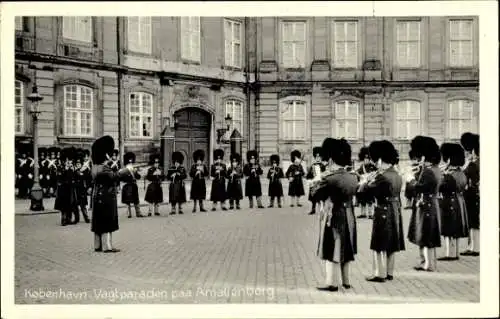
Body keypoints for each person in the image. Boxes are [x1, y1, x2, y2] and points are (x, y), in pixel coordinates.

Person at [311, 138, 359, 292]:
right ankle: (346, 281)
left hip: (333, 216)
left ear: (331, 159)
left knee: (331, 247)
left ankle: (331, 282)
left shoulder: (329, 178)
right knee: (346, 247)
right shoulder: (353, 177)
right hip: (349, 214)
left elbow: (315, 195)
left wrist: (317, 180)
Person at [358, 140, 405, 282]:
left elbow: (365, 194)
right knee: (391, 243)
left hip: (382, 210)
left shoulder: (381, 176)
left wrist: (364, 182)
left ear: (379, 159)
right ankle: (390, 272)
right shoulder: (396, 174)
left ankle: (379, 273)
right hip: (395, 209)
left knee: (378, 244)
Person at [406, 136, 443, 272]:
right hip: (431, 203)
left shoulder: (427, 171)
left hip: (425, 204)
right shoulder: (435, 169)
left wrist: (410, 180)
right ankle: (428, 262)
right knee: (428, 234)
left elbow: (419, 188)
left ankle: (428, 264)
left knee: (425, 234)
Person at [90, 135, 132, 253]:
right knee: (107, 221)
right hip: (107, 197)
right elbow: (114, 177)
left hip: (97, 196)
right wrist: (127, 169)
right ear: (105, 154)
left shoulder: (95, 167)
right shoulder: (104, 168)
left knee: (98, 222)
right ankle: (107, 246)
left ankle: (97, 245)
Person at [438, 143, 469, 261]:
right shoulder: (461, 173)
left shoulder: (450, 175)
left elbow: (441, 187)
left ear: (449, 159)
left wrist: (443, 175)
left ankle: (449, 254)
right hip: (459, 201)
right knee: (455, 229)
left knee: (449, 229)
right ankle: (455, 252)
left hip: (449, 202)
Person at [460, 132, 480, 257]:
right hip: (472, 195)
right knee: (472, 223)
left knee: (474, 223)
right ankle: (472, 246)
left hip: (473, 195)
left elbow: (465, 176)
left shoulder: (474, 164)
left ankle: (475, 247)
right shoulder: (475, 162)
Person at [54, 147, 79, 226]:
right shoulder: (60, 167)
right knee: (63, 205)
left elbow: (75, 178)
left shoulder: (72, 168)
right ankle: (63, 219)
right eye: (67, 160)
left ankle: (69, 219)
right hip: (63, 189)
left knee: (70, 205)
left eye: (70, 160)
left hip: (70, 188)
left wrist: (72, 170)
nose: (69, 162)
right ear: (64, 160)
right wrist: (66, 170)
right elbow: (59, 177)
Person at [356, 146, 377, 219]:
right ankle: (363, 213)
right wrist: (360, 176)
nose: (366, 160)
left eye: (367, 159)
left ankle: (370, 214)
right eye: (365, 159)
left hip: (370, 185)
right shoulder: (361, 167)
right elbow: (358, 173)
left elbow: (376, 173)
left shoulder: (373, 166)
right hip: (363, 185)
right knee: (362, 199)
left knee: (370, 200)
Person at [121, 152, 145, 218]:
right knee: (127, 201)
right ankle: (128, 214)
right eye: (129, 163)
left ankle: (138, 213)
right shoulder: (124, 170)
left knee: (136, 200)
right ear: (126, 164)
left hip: (133, 185)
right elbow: (122, 179)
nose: (130, 164)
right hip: (127, 186)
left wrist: (136, 172)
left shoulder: (134, 170)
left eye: (131, 163)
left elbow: (138, 177)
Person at [306, 147, 326, 215]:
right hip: (314, 182)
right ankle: (313, 209)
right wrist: (309, 181)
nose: (318, 158)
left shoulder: (323, 166)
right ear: (315, 157)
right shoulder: (312, 165)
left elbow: (325, 174)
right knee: (313, 197)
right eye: (317, 157)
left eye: (319, 157)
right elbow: (309, 175)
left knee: (321, 197)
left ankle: (321, 209)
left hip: (321, 182)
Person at [73, 150, 91, 223]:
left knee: (83, 205)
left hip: (82, 189)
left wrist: (89, 187)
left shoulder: (85, 170)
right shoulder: (74, 171)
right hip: (75, 190)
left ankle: (86, 218)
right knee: (75, 206)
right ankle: (76, 219)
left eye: (79, 163)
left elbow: (88, 179)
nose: (78, 165)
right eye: (77, 164)